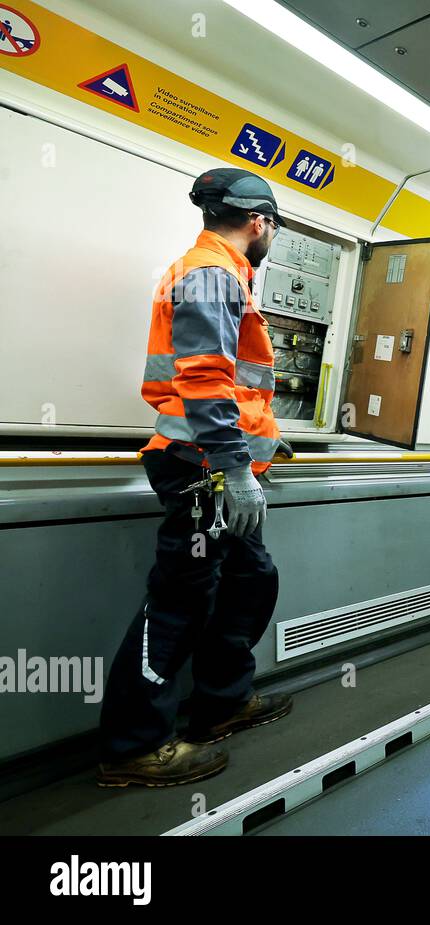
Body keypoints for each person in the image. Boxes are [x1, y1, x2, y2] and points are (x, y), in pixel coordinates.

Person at [96, 168, 294, 787]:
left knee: (249, 578)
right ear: (259, 222)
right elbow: (204, 380)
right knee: (179, 602)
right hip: (200, 469)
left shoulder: (224, 272)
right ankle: (134, 746)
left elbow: (234, 386)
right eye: (272, 228)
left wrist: (264, 441)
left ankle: (221, 702)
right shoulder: (211, 273)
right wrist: (235, 469)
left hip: (220, 462)